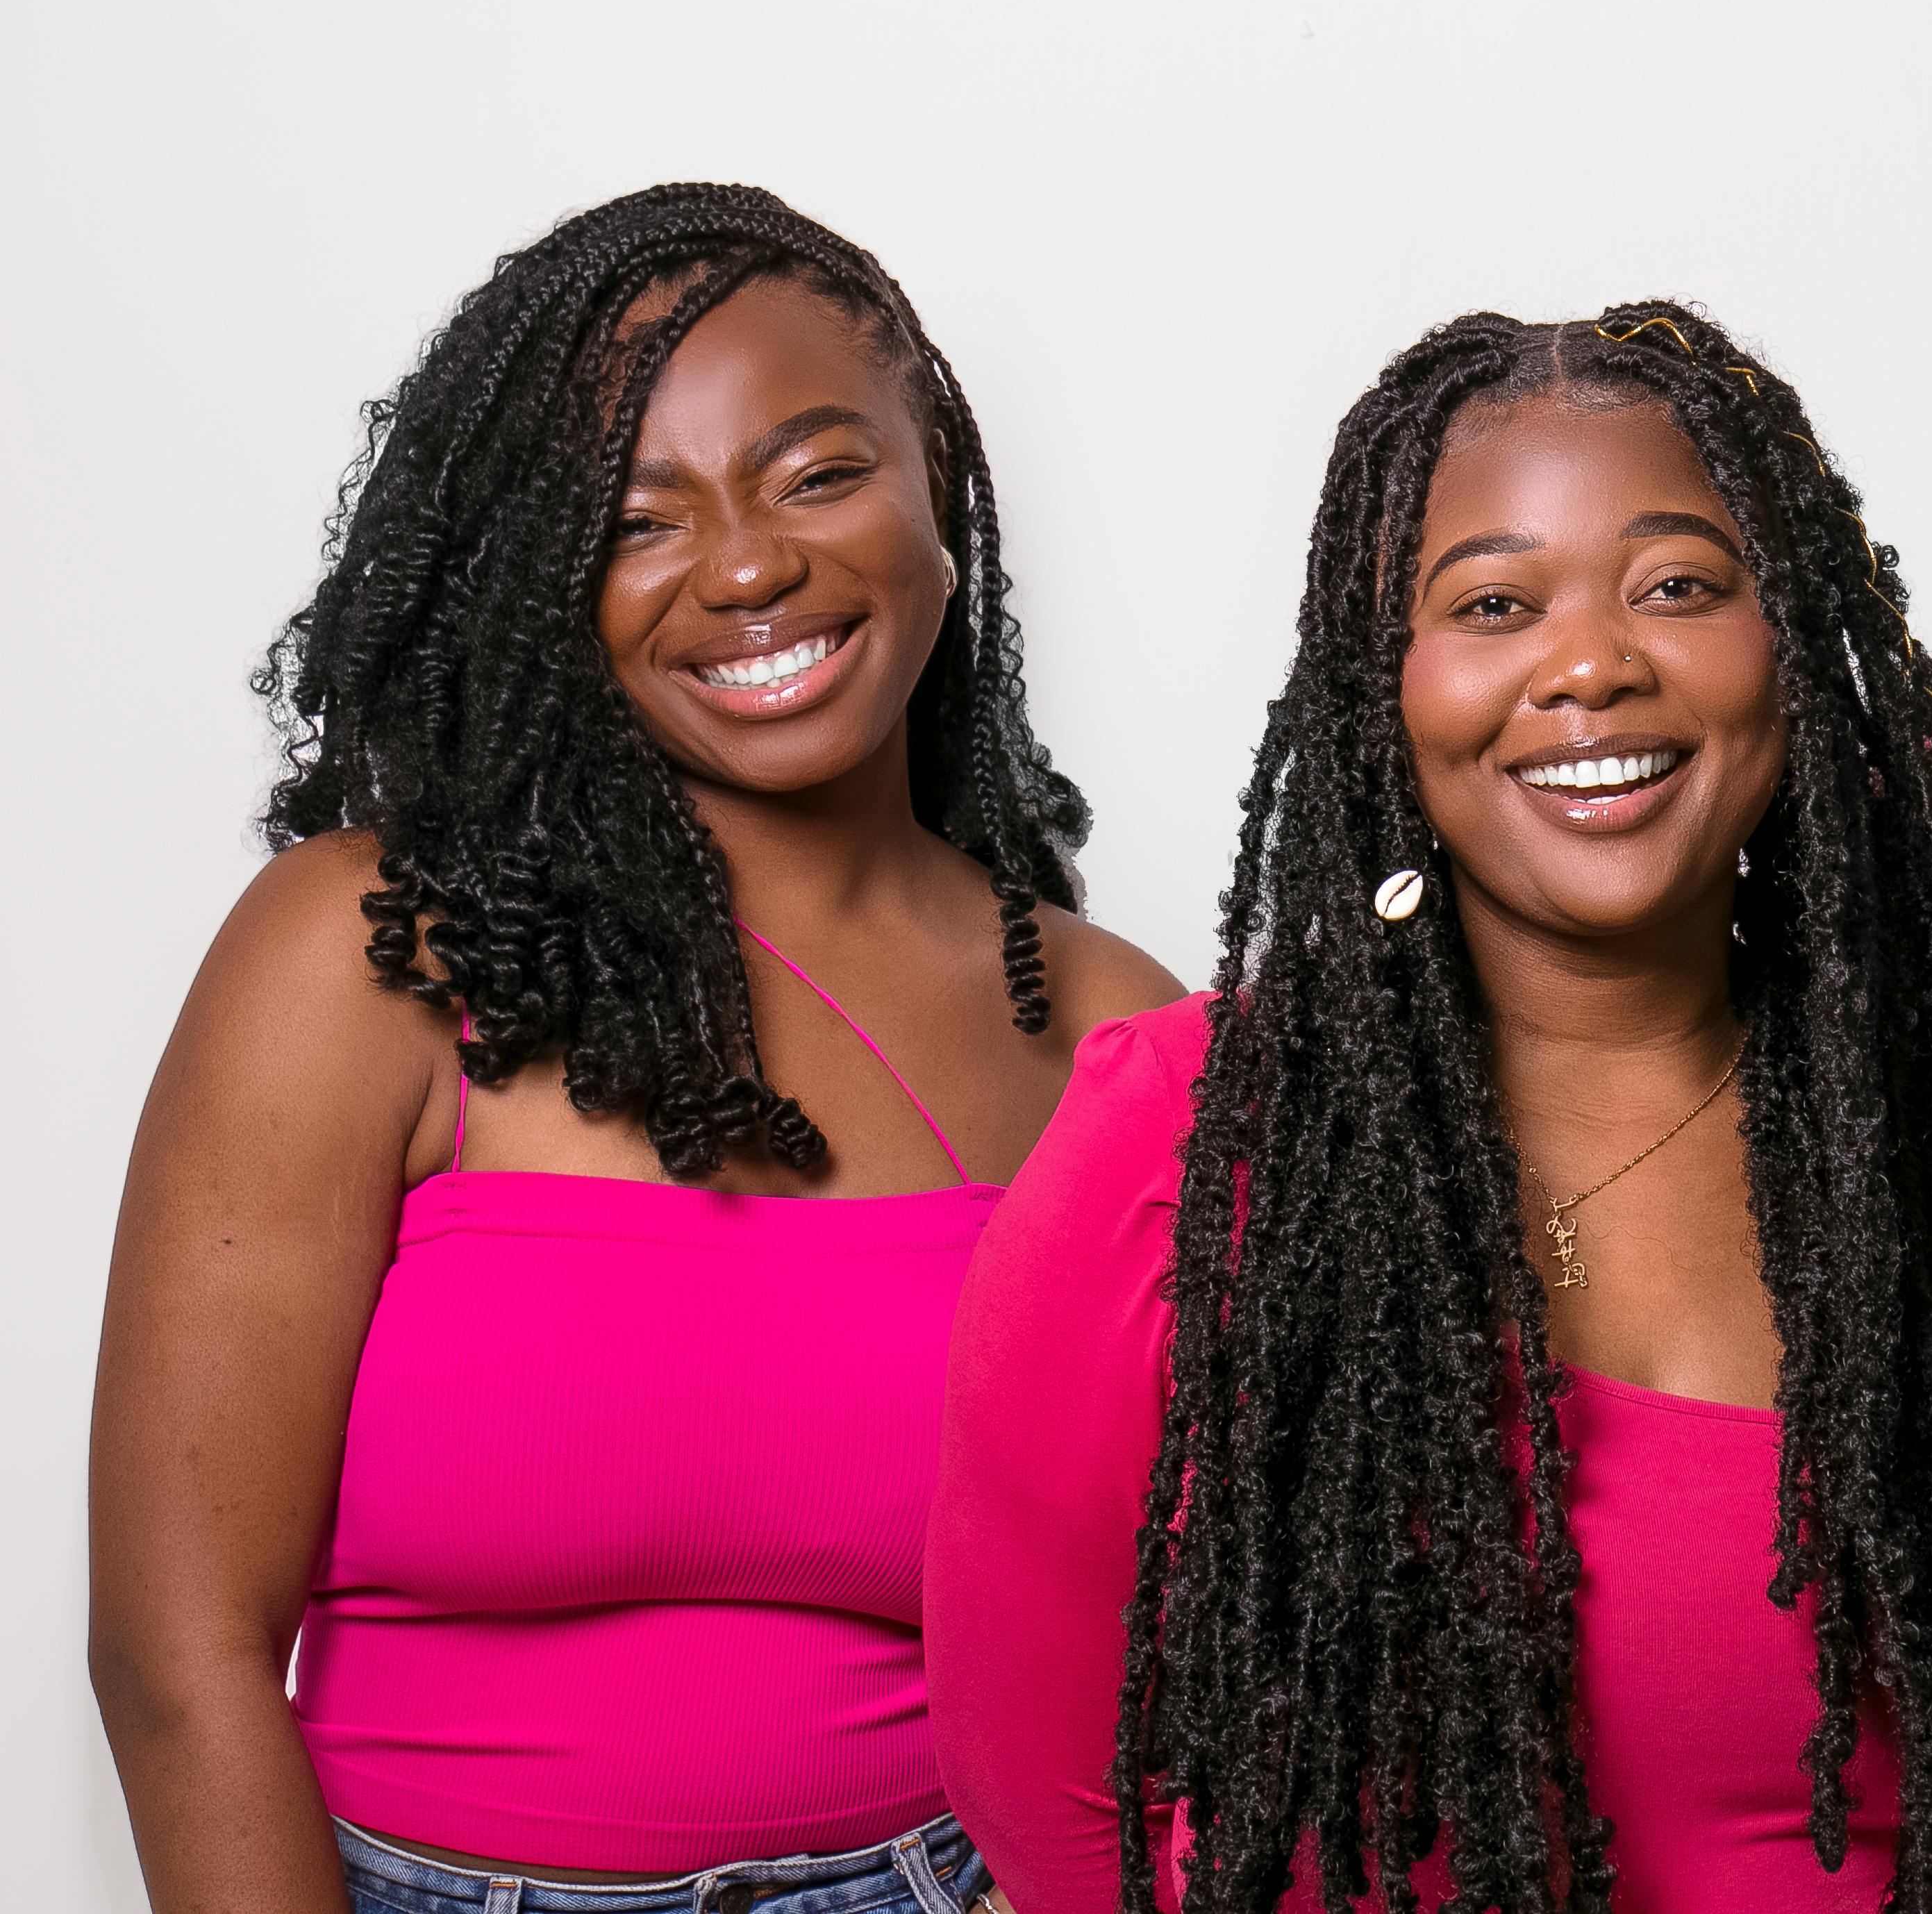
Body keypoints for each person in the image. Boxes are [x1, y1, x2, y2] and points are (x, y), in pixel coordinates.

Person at [924, 305, 1932, 1913]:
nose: (1592, 664)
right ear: (1385, 684)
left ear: (1792, 644)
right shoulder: (1182, 1137)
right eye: (1495, 604)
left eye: (1677, 586)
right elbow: (1042, 1788)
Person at [88, 183, 1181, 1914]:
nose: (750, 565)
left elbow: (1161, 1675)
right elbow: (178, 1658)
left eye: (822, 474)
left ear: (940, 502)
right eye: (636, 519)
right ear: (539, 580)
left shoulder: (1106, 1030)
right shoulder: (370, 956)